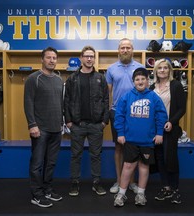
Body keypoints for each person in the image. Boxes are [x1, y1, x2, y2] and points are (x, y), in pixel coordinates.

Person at [113, 67, 168, 207]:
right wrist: (120, 133)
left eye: (143, 79)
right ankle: (121, 194)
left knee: (144, 167)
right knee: (128, 166)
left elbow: (161, 115)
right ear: (133, 82)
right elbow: (119, 116)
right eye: (137, 79)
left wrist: (159, 133)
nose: (140, 81)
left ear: (148, 81)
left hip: (147, 141)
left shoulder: (154, 97)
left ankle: (141, 194)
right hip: (130, 140)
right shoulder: (126, 97)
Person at [64, 45, 109, 197]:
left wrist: (104, 122)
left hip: (96, 125)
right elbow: (67, 100)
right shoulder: (72, 78)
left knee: (96, 155)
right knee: (75, 155)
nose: (89, 59)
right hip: (77, 125)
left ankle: (96, 183)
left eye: (92, 56)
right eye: (87, 56)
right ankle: (75, 183)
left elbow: (106, 100)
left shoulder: (100, 78)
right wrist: (68, 121)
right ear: (81, 58)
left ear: (94, 58)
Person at [24, 47, 63, 208]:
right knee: (37, 164)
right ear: (42, 59)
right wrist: (32, 125)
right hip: (40, 129)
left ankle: (47, 189)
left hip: (56, 129)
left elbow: (60, 104)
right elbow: (28, 102)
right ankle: (37, 194)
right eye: (49, 57)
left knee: (51, 163)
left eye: (54, 58)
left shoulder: (59, 79)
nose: (52, 60)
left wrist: (61, 124)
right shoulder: (34, 78)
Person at [106, 38, 144, 194]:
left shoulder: (140, 67)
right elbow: (108, 92)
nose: (125, 50)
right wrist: (110, 111)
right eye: (123, 47)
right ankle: (119, 180)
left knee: (135, 147)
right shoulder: (111, 69)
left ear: (132, 49)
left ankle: (132, 182)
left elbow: (145, 90)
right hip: (117, 113)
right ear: (118, 50)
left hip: (136, 112)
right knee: (119, 148)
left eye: (128, 47)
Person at [149, 58, 187, 204]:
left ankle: (175, 189)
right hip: (155, 130)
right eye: (160, 68)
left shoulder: (176, 85)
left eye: (165, 68)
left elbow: (182, 108)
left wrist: (172, 122)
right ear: (156, 71)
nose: (163, 70)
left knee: (170, 158)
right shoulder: (152, 88)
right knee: (159, 159)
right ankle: (166, 188)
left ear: (170, 70)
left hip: (170, 128)